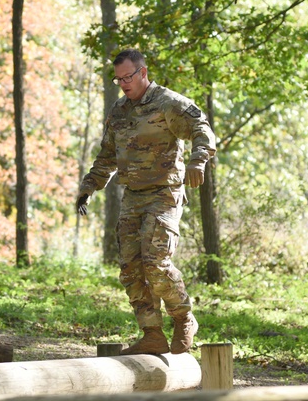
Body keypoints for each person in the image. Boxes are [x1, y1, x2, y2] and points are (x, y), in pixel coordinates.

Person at [75, 49, 216, 355]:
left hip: (164, 192)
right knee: (130, 268)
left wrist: (198, 160)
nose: (123, 83)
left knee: (156, 263)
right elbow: (108, 156)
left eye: (128, 77)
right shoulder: (120, 111)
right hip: (133, 195)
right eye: (118, 79)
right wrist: (89, 186)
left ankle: (183, 318)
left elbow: (200, 127)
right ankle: (152, 332)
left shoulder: (167, 102)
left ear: (142, 72)